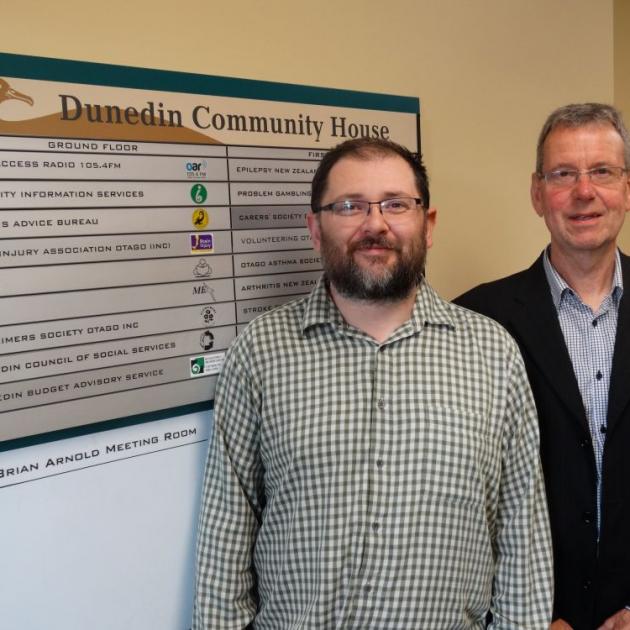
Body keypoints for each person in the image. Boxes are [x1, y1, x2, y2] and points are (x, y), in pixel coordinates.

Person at [194, 137, 552, 629]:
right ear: (316, 229)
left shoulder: (493, 354)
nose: (375, 224)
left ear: (428, 227)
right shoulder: (260, 352)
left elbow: (523, 541)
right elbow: (225, 538)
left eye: (395, 205)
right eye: (350, 206)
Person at [455, 103, 630, 630]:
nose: (584, 192)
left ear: (627, 188)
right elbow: (459, 496)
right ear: (537, 193)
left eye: (602, 171)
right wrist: (526, 616)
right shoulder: (474, 321)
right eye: (563, 174)